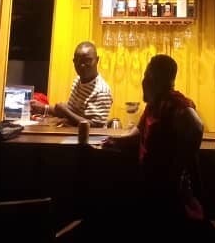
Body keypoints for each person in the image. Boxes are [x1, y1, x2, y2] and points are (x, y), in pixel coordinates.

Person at [102, 54, 206, 232]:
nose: (143, 81)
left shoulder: (173, 102)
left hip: (170, 196)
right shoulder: (153, 105)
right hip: (151, 188)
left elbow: (197, 127)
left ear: (154, 80)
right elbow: (139, 132)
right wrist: (116, 141)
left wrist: (178, 168)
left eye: (146, 75)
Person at [31, 41, 113, 127]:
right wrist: (44, 108)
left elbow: (95, 126)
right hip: (71, 131)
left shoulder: (102, 91)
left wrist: (65, 111)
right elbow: (72, 112)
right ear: (74, 62)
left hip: (86, 135)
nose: (82, 65)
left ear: (97, 60)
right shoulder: (77, 81)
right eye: (79, 61)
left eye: (88, 61)